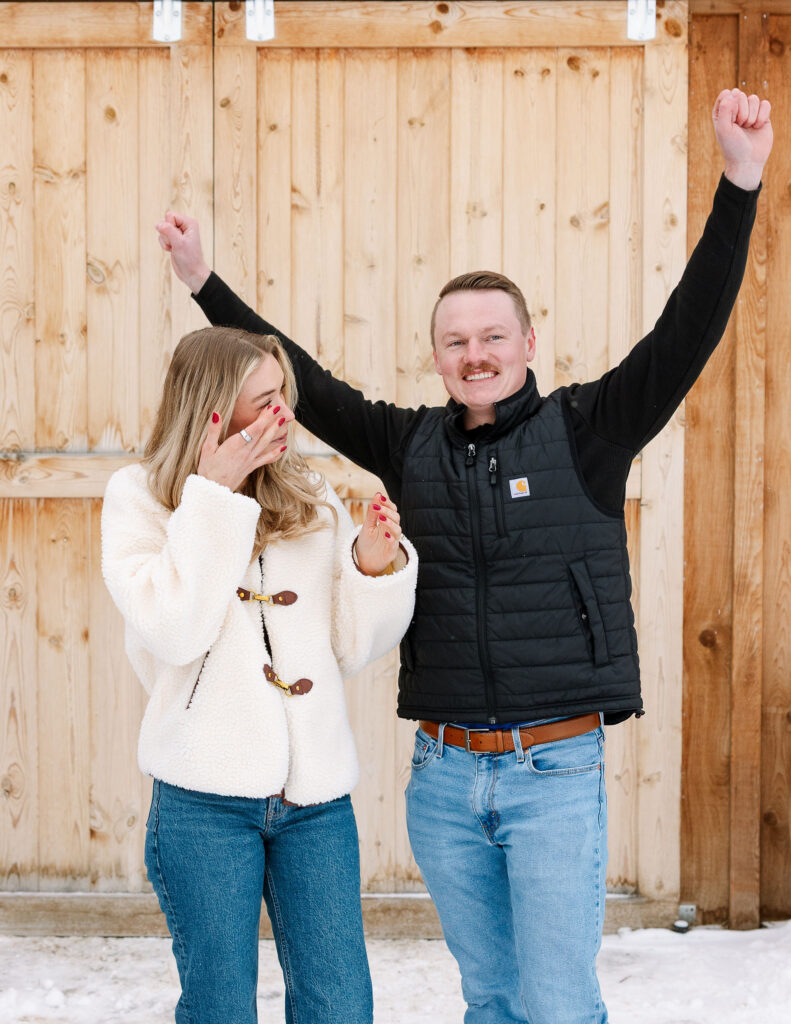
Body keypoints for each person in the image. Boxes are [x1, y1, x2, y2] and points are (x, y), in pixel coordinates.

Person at [155, 88, 772, 1023]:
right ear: (436, 357)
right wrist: (204, 281)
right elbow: (306, 381)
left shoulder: (589, 432)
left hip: (553, 775)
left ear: (528, 342)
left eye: (492, 336)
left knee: (557, 1004)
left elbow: (686, 330)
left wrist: (739, 184)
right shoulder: (409, 445)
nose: (475, 353)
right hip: (443, 776)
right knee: (488, 998)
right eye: (455, 341)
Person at [100, 325, 417, 1024]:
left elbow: (350, 645)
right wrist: (211, 498)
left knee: (339, 1007)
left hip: (315, 805)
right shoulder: (140, 500)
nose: (283, 417)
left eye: (283, 396)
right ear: (211, 411)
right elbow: (174, 630)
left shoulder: (308, 493)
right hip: (203, 805)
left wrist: (370, 564)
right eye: (262, 402)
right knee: (220, 1009)